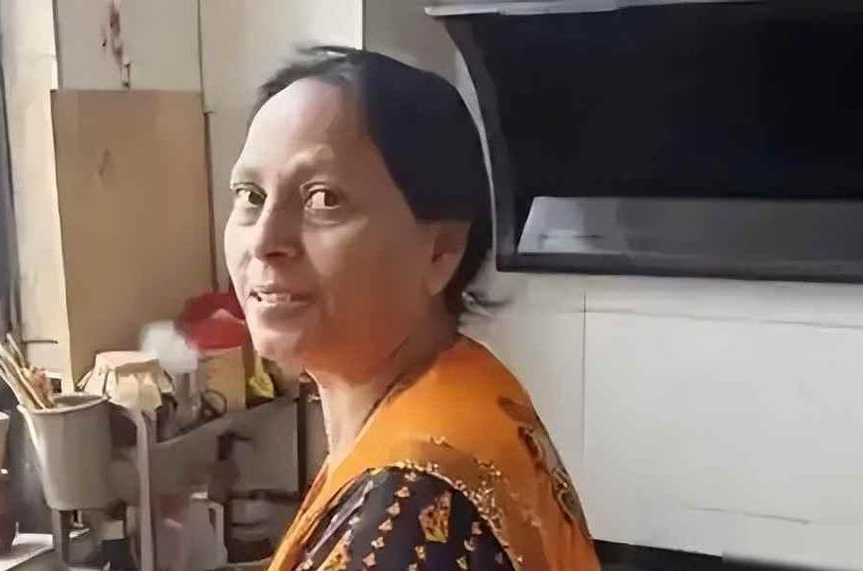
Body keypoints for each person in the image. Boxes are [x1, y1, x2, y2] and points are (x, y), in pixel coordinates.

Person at [224, 46, 600, 571]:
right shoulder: (458, 387)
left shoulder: (414, 503)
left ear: (441, 250)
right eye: (250, 195)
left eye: (323, 199)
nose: (265, 241)